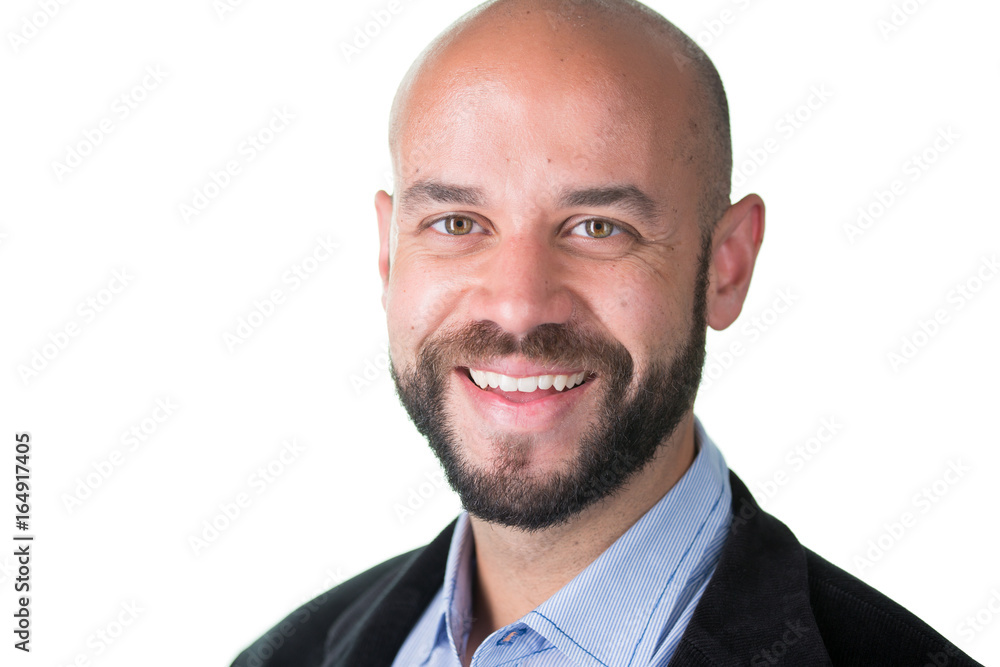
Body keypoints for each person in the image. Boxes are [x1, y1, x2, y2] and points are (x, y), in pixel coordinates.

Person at [232, 1, 982, 665]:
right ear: (390, 255)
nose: (520, 307)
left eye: (598, 228)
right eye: (458, 223)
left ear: (727, 266)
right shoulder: (283, 654)